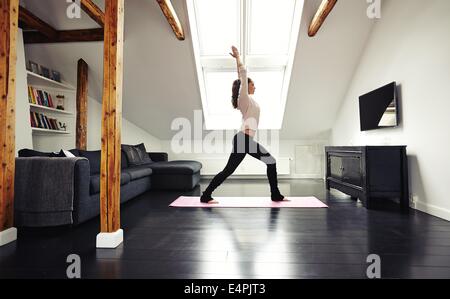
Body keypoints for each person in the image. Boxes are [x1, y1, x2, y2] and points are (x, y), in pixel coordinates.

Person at [200, 46, 287, 204]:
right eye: (252, 84)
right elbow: (243, 75)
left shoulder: (248, 100)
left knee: (228, 171)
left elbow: (241, 78)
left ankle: (206, 195)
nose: (255, 86)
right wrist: (238, 57)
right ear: (246, 86)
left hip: (243, 140)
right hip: (243, 140)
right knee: (271, 161)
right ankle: (275, 195)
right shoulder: (244, 98)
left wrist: (237, 63)